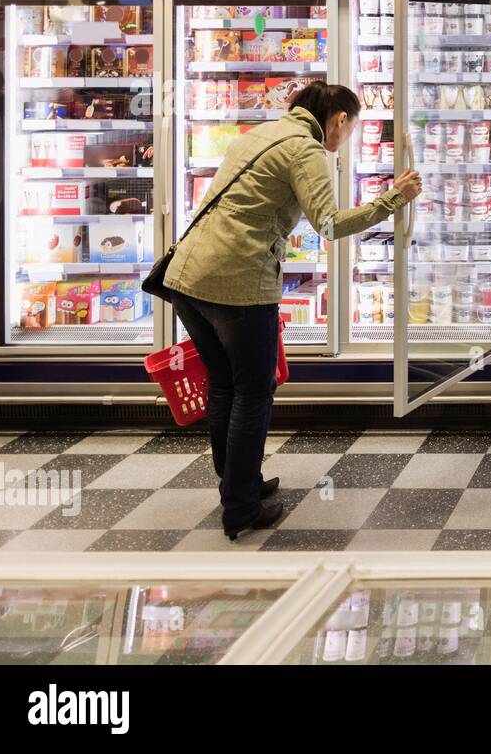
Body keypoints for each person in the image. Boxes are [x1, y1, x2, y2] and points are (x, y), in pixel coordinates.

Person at [162, 83, 421, 540]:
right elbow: (329, 223)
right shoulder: (306, 150)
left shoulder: (257, 135)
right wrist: (392, 199)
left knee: (224, 386)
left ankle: (237, 484)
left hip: (187, 277)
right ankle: (241, 509)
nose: (346, 137)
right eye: (350, 128)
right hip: (238, 282)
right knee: (253, 392)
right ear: (338, 119)